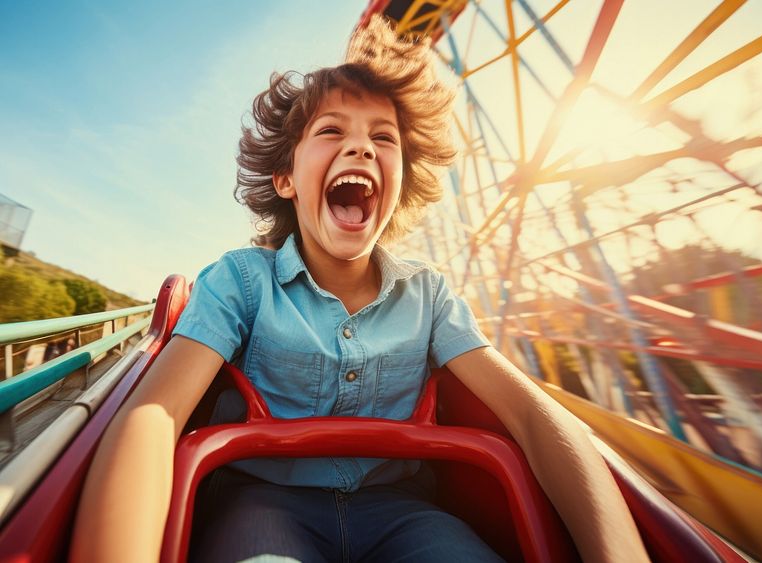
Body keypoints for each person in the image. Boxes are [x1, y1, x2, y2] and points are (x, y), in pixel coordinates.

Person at [70, 17, 649, 563]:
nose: (362, 147)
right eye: (330, 131)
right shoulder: (243, 281)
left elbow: (529, 415)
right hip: (264, 503)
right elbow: (156, 412)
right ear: (286, 179)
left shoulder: (429, 297)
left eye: (384, 137)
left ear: (400, 182)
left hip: (405, 513)